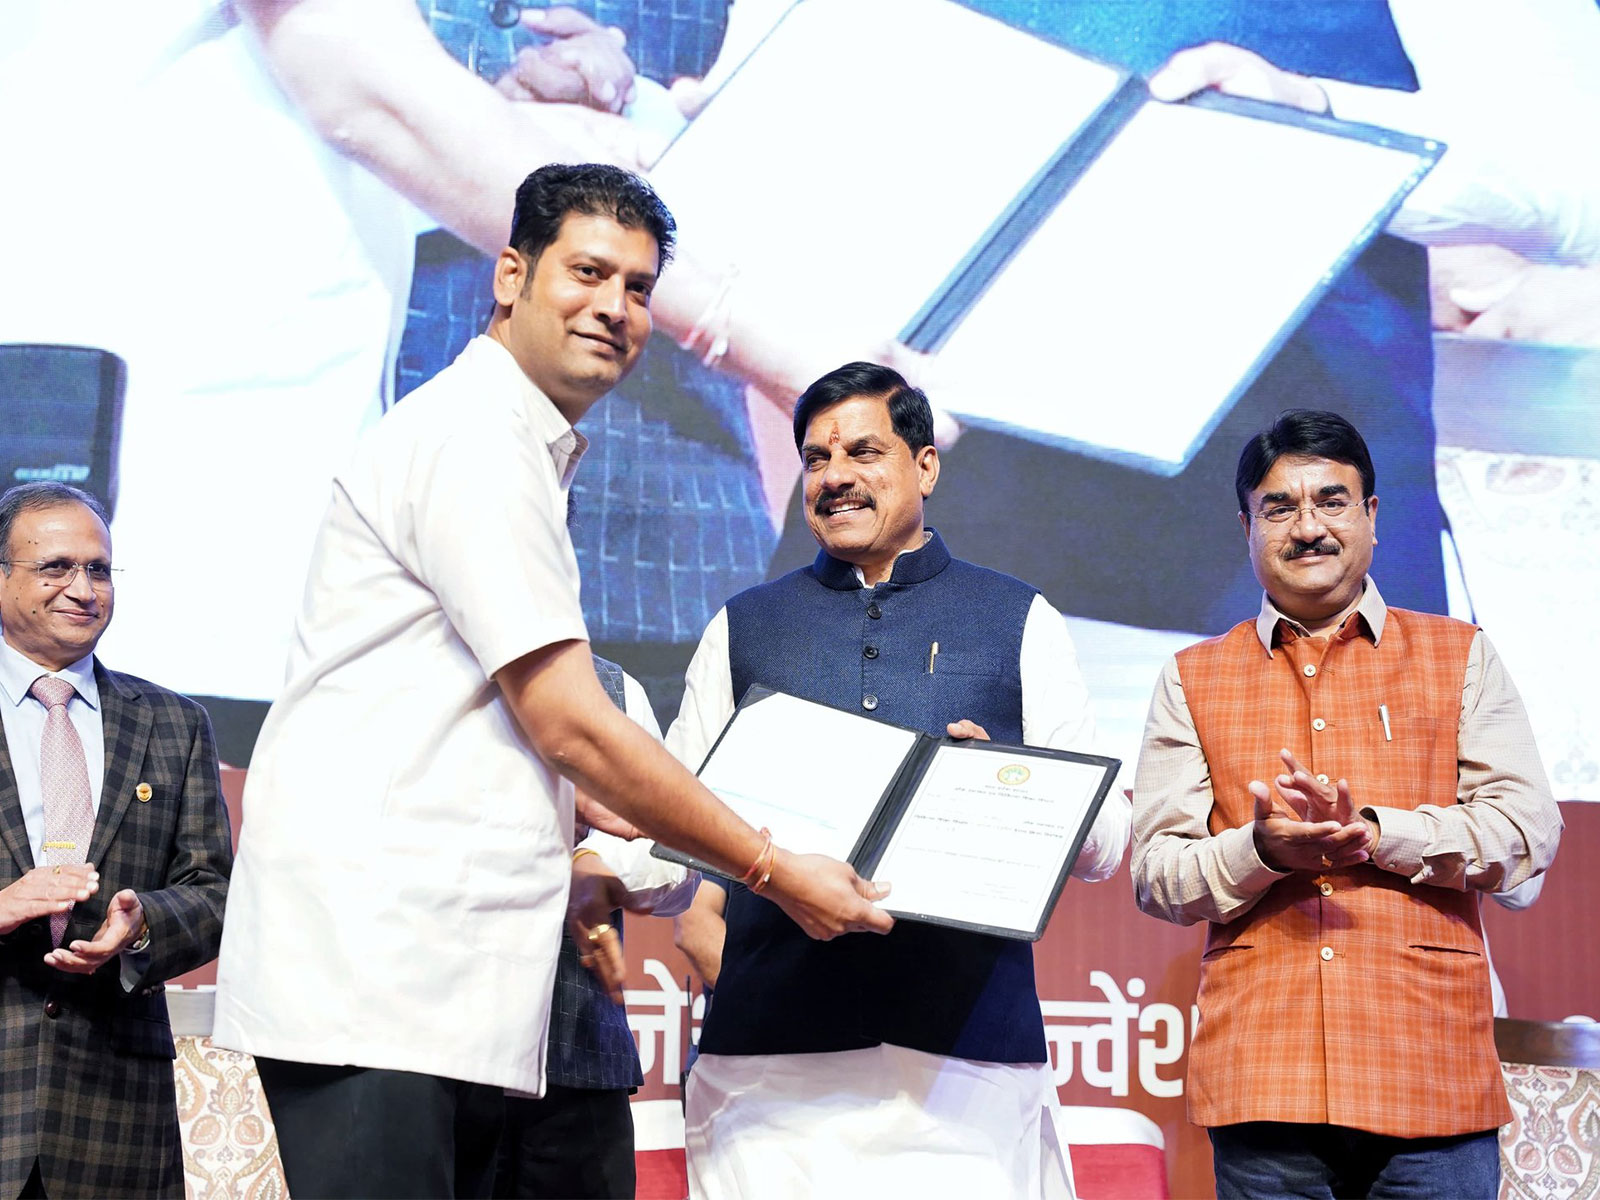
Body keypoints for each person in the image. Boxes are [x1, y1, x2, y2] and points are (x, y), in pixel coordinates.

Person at [211, 164, 891, 1200]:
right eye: (587, 272)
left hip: (436, 981)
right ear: (510, 274)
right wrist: (767, 864)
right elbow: (570, 724)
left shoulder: (518, 444)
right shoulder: (476, 439)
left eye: (638, 288)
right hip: (376, 975)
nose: (615, 309)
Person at [667, 361, 1133, 1199]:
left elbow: (1105, 846)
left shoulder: (1019, 618)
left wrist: (1009, 781)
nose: (836, 476)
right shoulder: (742, 625)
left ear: (925, 465)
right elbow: (675, 825)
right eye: (816, 458)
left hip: (965, 1072)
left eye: (864, 451)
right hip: (768, 1071)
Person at [1130, 409, 1563, 1198]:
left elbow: (1525, 833)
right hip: (1267, 1080)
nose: (1307, 528)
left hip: (1429, 1071)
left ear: (1370, 517)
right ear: (1247, 526)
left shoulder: (1458, 652)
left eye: (1332, 501)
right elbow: (1157, 874)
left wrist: (1372, 833)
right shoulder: (1192, 675)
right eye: (1279, 508)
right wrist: (1262, 851)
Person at [0, 481, 232, 1199]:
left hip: (113, 1112)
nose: (83, 589)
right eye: (55, 568)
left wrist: (142, 926)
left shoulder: (173, 723)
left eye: (98, 569)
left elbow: (215, 891)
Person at [496, 653, 698, 1200]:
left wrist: (597, 864)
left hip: (580, 1059)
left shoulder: (611, 686)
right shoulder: (418, 670)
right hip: (438, 1066)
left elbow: (674, 860)